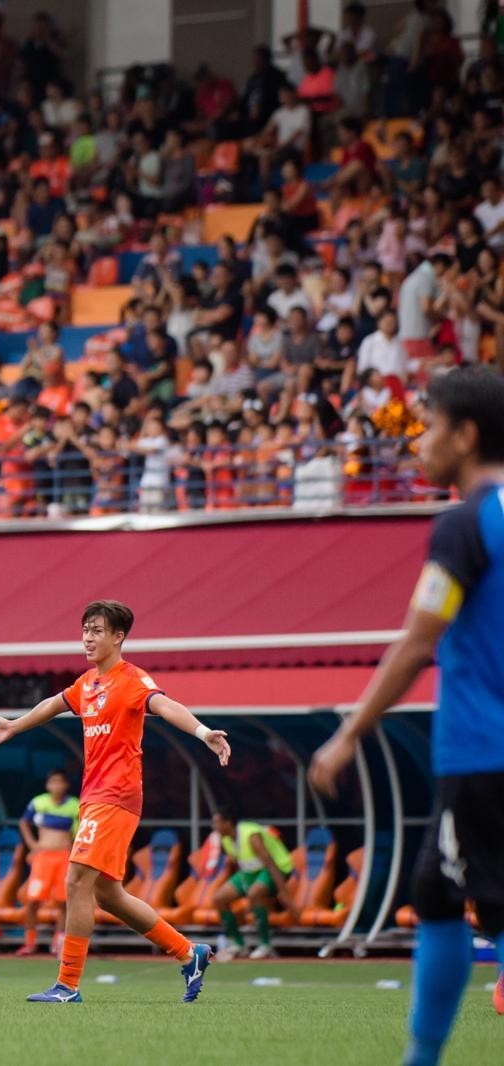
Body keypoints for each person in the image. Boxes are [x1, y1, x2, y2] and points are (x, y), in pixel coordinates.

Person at [309, 369, 504, 1063]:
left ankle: (421, 1059)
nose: (418, 442)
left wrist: (347, 735)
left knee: (449, 895)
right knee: (454, 892)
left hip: (482, 752)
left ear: (466, 435)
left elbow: (419, 641)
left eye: (429, 426)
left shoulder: (465, 524)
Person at [0, 599, 231, 1003]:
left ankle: (67, 985)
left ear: (118, 637)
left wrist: (204, 733)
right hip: (94, 797)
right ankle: (189, 953)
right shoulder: (86, 683)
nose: (87, 638)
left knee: (76, 880)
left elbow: (165, 705)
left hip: (115, 795)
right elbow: (53, 704)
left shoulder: (132, 679)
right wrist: (15, 726)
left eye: (97, 630)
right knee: (108, 894)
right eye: (85, 630)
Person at [209, 808, 294, 962]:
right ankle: (239, 944)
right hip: (251, 872)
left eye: (217, 823)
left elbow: (269, 862)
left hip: (277, 868)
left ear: (228, 823)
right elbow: (240, 865)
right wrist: (243, 888)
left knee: (254, 894)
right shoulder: (226, 839)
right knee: (219, 898)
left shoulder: (250, 834)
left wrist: (283, 892)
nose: (214, 827)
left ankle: (265, 945)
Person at [17, 768, 79, 957]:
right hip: (43, 858)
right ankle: (29, 943)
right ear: (47, 785)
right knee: (33, 901)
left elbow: (78, 832)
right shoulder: (38, 802)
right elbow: (23, 823)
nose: (56, 786)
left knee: (63, 902)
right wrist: (32, 845)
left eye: (60, 782)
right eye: (52, 782)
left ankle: (58, 944)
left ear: (66, 785)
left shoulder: (74, 805)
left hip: (63, 857)